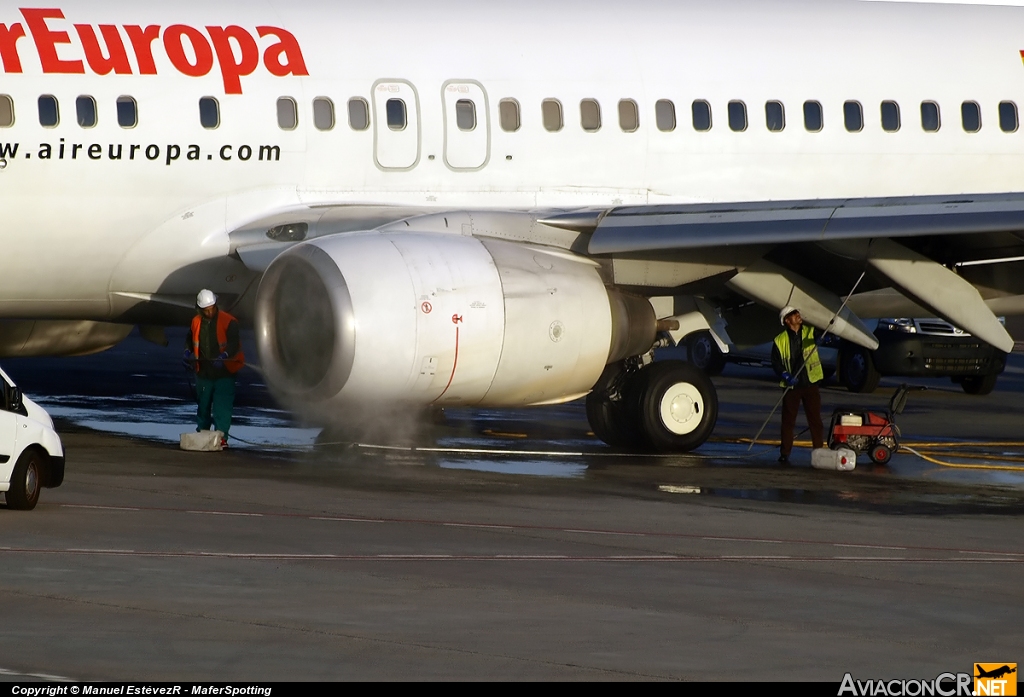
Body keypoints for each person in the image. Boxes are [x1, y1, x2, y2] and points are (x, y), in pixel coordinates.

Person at [183, 289, 244, 448]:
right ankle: (202, 433)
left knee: (222, 406)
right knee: (203, 404)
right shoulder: (196, 321)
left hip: (225, 372)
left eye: (211, 308)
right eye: (206, 310)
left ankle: (221, 437)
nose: (209, 312)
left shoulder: (229, 321)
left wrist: (224, 357)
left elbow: (233, 343)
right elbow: (191, 338)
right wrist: (187, 352)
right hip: (204, 371)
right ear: (200, 309)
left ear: (215, 306)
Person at [770, 306, 824, 464]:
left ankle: (818, 451)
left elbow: (823, 334)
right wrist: (785, 375)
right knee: (788, 422)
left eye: (797, 312)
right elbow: (776, 363)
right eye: (794, 314)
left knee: (815, 420)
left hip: (810, 382)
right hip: (791, 386)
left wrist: (823, 338)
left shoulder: (810, 332)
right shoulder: (779, 340)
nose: (798, 315)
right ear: (787, 320)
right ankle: (785, 453)